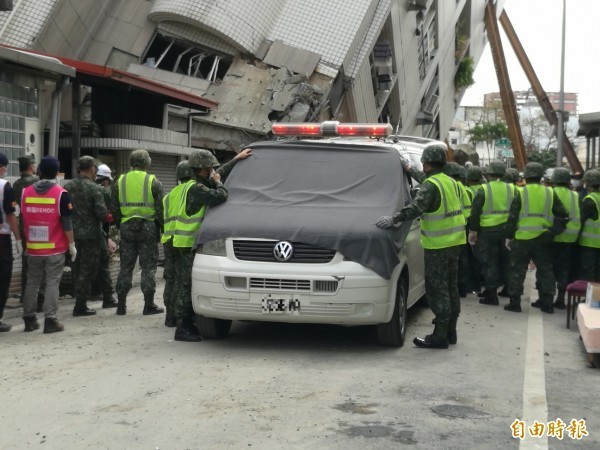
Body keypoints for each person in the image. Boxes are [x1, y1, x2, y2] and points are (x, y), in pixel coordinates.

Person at [377, 143, 465, 349]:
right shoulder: (450, 182)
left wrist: (394, 219)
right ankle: (450, 331)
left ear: (426, 164)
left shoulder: (431, 185)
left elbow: (417, 207)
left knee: (436, 290)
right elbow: (428, 184)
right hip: (455, 243)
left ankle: (440, 336)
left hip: (438, 246)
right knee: (451, 288)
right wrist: (410, 169)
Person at [173, 148, 253, 341]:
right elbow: (221, 195)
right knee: (185, 285)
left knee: (184, 283)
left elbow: (218, 174)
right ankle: (182, 328)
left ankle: (186, 322)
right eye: (210, 168)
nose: (212, 171)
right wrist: (219, 183)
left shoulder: (191, 185)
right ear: (202, 169)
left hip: (183, 242)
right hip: (187, 243)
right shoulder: (197, 189)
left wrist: (236, 159)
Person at [20, 156, 76, 333]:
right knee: (52, 283)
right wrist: (72, 244)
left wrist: (22, 242)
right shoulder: (61, 194)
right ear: (57, 173)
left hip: (33, 248)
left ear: (40, 171)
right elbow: (67, 224)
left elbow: (23, 220)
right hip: (54, 249)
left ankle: (29, 319)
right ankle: (50, 320)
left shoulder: (25, 192)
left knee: (32, 283)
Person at [504, 162, 569, 313]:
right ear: (541, 176)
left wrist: (509, 237)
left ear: (525, 175)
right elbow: (564, 215)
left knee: (516, 271)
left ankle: (515, 303)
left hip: (522, 239)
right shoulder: (550, 192)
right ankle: (547, 303)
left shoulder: (520, 192)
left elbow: (512, 217)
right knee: (546, 270)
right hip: (543, 238)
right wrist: (553, 231)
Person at [111, 149, 164, 315]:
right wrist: (162, 228)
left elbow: (114, 208)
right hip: (148, 227)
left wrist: (121, 223)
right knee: (148, 268)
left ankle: (121, 305)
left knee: (125, 267)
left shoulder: (119, 181)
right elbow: (160, 209)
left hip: (127, 227)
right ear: (147, 163)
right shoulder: (153, 181)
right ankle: (148, 305)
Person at [65, 156, 117, 316]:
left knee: (86, 265)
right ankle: (80, 306)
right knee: (88, 269)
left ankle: (108, 296)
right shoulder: (95, 189)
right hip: (91, 236)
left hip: (73, 235)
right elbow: (102, 214)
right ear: (92, 168)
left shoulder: (67, 187)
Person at [468, 160, 516, 306]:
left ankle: (492, 295)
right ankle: (508, 289)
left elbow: (475, 212)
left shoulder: (484, 189)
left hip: (488, 231)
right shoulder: (513, 189)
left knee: (490, 263)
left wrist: (473, 231)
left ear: (488, 174)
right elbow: (516, 211)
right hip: (506, 230)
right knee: (506, 261)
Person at [160, 161, 193, 328]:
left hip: (168, 240)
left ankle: (169, 316)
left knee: (171, 278)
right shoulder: (190, 191)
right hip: (183, 240)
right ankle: (182, 317)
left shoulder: (168, 196)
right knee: (183, 279)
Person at [13, 155, 44, 311]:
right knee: (40, 259)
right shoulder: (36, 182)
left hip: (23, 224)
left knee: (27, 261)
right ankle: (39, 297)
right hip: (38, 224)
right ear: (31, 166)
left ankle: (26, 294)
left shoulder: (16, 184)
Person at [549, 168, 580, 309]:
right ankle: (561, 297)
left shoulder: (551, 192)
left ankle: (547, 298)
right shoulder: (575, 195)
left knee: (549, 268)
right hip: (571, 236)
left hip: (553, 235)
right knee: (564, 269)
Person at [0, 152, 23, 333]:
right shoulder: (4, 186)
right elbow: (10, 216)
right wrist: (18, 239)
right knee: (2, 278)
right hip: (1, 240)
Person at [443, 162, 472, 297]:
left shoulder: (446, 185)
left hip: (446, 229)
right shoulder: (461, 187)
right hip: (461, 228)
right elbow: (467, 208)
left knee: (448, 263)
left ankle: (451, 289)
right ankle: (462, 288)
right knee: (462, 260)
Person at [91, 163, 118, 304]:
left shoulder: (87, 189)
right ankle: (107, 296)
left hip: (84, 234)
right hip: (98, 233)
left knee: (88, 264)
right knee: (103, 263)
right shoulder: (103, 192)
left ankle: (92, 293)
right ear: (105, 180)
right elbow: (105, 216)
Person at [578, 169, 600, 282]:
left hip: (589, 244)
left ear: (587, 183)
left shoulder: (589, 200)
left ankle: (590, 299)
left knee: (588, 275)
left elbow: (580, 220)